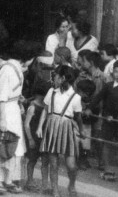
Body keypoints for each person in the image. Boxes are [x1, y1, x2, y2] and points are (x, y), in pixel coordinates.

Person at [36, 65, 84, 197]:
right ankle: (55, 190)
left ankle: (72, 183)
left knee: (71, 165)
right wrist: (40, 127)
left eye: (55, 76)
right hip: (51, 127)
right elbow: (45, 110)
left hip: (67, 128)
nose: (53, 78)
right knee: (53, 162)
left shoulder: (75, 97)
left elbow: (78, 117)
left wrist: (81, 131)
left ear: (62, 78)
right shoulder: (51, 91)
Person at [0, 43, 26, 195]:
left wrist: (18, 99)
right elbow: (0, 97)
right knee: (6, 145)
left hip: (13, 109)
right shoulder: (7, 70)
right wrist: (3, 119)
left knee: (16, 147)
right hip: (5, 111)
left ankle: (9, 179)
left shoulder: (13, 68)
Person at [88, 59, 118, 180]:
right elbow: (98, 98)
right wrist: (89, 108)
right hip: (108, 119)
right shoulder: (109, 86)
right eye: (116, 72)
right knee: (106, 143)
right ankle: (107, 169)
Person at [24, 81, 51, 193]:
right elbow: (26, 124)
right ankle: (29, 181)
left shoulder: (45, 107)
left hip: (43, 137)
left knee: (44, 161)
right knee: (32, 160)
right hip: (34, 138)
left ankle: (44, 185)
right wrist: (30, 139)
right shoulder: (33, 107)